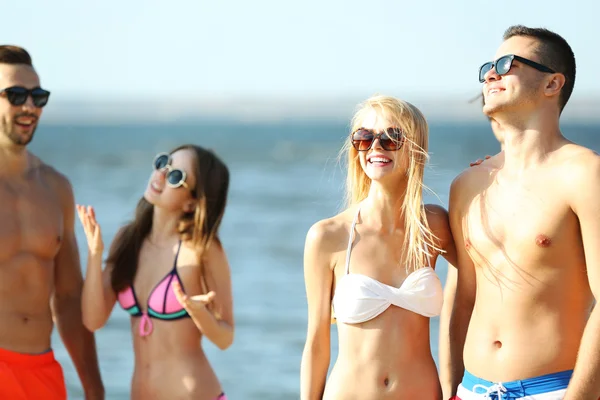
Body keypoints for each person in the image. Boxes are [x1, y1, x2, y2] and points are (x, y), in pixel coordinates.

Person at [443, 25, 600, 399]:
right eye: (487, 68)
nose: (491, 74)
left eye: (506, 63)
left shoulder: (584, 174)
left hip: (554, 390)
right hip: (472, 390)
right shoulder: (467, 185)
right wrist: (450, 389)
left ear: (552, 84)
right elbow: (461, 300)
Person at [300, 95, 457, 399]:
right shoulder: (328, 236)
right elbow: (317, 342)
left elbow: (489, 280)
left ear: (415, 149)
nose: (375, 147)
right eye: (364, 137)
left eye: (392, 137)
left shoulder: (434, 227)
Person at [77, 145, 234, 400]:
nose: (160, 176)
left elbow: (226, 337)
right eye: (164, 163)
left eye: (175, 177)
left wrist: (197, 312)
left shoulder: (202, 249)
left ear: (192, 202)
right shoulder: (128, 240)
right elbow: (93, 320)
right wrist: (95, 255)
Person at [0, 45, 104, 399]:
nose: (29, 106)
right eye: (15, 95)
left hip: (41, 373)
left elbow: (70, 296)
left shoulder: (56, 187)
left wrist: (94, 387)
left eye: (38, 96)